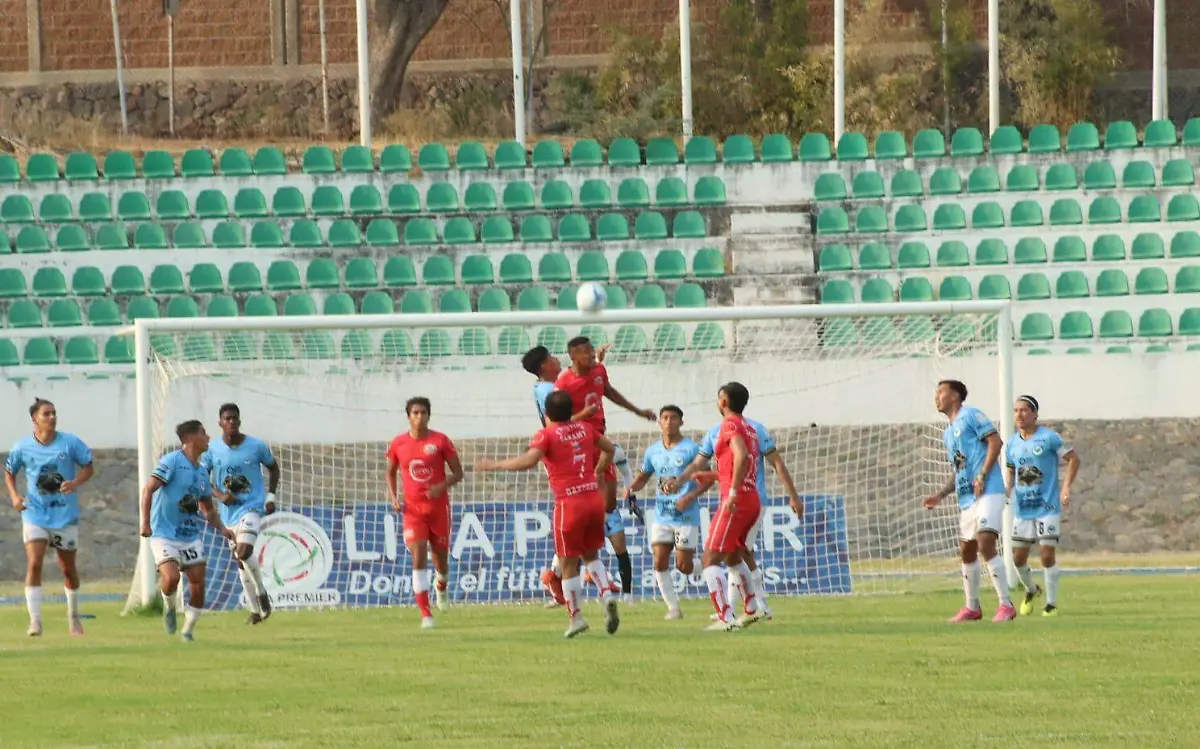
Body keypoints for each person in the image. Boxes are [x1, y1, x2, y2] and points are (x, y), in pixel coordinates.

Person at [477, 391, 620, 638]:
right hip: (593, 500)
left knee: (567, 562)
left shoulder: (547, 434)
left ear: (547, 413)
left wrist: (496, 465)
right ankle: (606, 594)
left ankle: (576, 618)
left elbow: (529, 461)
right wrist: (598, 471)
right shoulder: (585, 429)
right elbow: (610, 449)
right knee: (591, 554)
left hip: (569, 503)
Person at [554, 336, 654, 602]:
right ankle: (565, 568)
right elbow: (555, 421)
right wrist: (580, 416)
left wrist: (637, 410)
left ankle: (579, 564)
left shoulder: (599, 370)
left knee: (608, 505)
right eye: (584, 352)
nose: (590, 355)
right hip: (580, 442)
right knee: (590, 507)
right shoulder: (563, 382)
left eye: (590, 350)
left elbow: (609, 391)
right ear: (573, 357)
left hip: (600, 438)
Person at [691, 413, 802, 621]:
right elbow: (702, 463)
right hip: (734, 500)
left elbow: (775, 462)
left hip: (749, 500)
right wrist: (681, 479)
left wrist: (793, 496)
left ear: (724, 401)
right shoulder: (715, 431)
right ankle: (748, 606)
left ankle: (756, 605)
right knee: (735, 554)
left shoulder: (755, 428)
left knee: (740, 553)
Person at [923, 380, 1015, 623]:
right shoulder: (947, 433)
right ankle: (972, 607)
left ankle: (1006, 605)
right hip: (967, 498)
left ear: (955, 396)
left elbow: (996, 442)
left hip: (989, 490)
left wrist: (983, 473)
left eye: (940, 392)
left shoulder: (971, 415)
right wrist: (940, 495)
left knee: (986, 542)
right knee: (967, 550)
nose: (937, 397)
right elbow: (959, 468)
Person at [4, 398, 94, 637]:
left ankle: (73, 617)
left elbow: (88, 467)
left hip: (64, 516)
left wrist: (74, 483)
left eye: (54, 413)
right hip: (35, 514)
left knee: (68, 569)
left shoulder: (70, 442)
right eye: (47, 414)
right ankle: (35, 621)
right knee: (34, 562)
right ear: (35, 419)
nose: (52, 417)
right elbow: (9, 473)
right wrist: (14, 497)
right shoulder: (22, 447)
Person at [140, 420, 234, 642]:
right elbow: (148, 489)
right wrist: (145, 522)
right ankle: (169, 607)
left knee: (198, 582)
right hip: (164, 533)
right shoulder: (171, 462)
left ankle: (188, 630)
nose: (208, 437)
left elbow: (207, 509)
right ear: (191, 438)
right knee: (171, 578)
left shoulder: (201, 473)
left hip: (189, 536)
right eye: (203, 433)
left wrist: (222, 528)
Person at [385, 397, 464, 630]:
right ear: (408, 416)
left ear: (429, 415)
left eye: (423, 413)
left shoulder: (440, 441)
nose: (420, 417)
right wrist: (393, 497)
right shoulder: (398, 443)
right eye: (415, 413)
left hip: (439, 509)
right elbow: (390, 472)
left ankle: (441, 586)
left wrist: (441, 486)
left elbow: (458, 473)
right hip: (413, 510)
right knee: (418, 555)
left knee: (441, 561)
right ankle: (425, 613)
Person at [201, 403, 280, 625]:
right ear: (220, 423)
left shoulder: (256, 446)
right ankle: (256, 612)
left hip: (252, 507)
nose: (232, 422)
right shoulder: (212, 449)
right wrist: (219, 495)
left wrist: (271, 497)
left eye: (235, 418)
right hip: (228, 514)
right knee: (240, 561)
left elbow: (273, 467)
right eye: (228, 419)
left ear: (239, 421)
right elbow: (201, 477)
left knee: (245, 551)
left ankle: (262, 592)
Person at [623, 405, 704, 619]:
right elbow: (643, 476)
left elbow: (707, 479)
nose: (669, 422)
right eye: (665, 418)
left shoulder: (692, 449)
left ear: (681, 422)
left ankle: (710, 562)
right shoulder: (653, 451)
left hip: (686, 515)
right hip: (661, 515)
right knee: (659, 561)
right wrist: (630, 487)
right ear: (659, 422)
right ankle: (673, 608)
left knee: (684, 566)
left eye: (674, 418)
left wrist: (689, 497)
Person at [1005, 395, 1080, 617]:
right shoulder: (1012, 443)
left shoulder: (1049, 438)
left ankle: (1051, 603)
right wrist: (1007, 489)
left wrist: (1065, 487)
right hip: (1023, 509)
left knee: (1046, 555)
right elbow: (1011, 470)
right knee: (1018, 558)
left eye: (1025, 410)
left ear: (1035, 414)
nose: (1019, 414)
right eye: (1016, 410)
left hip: (1047, 506)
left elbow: (1074, 459)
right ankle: (1031, 589)